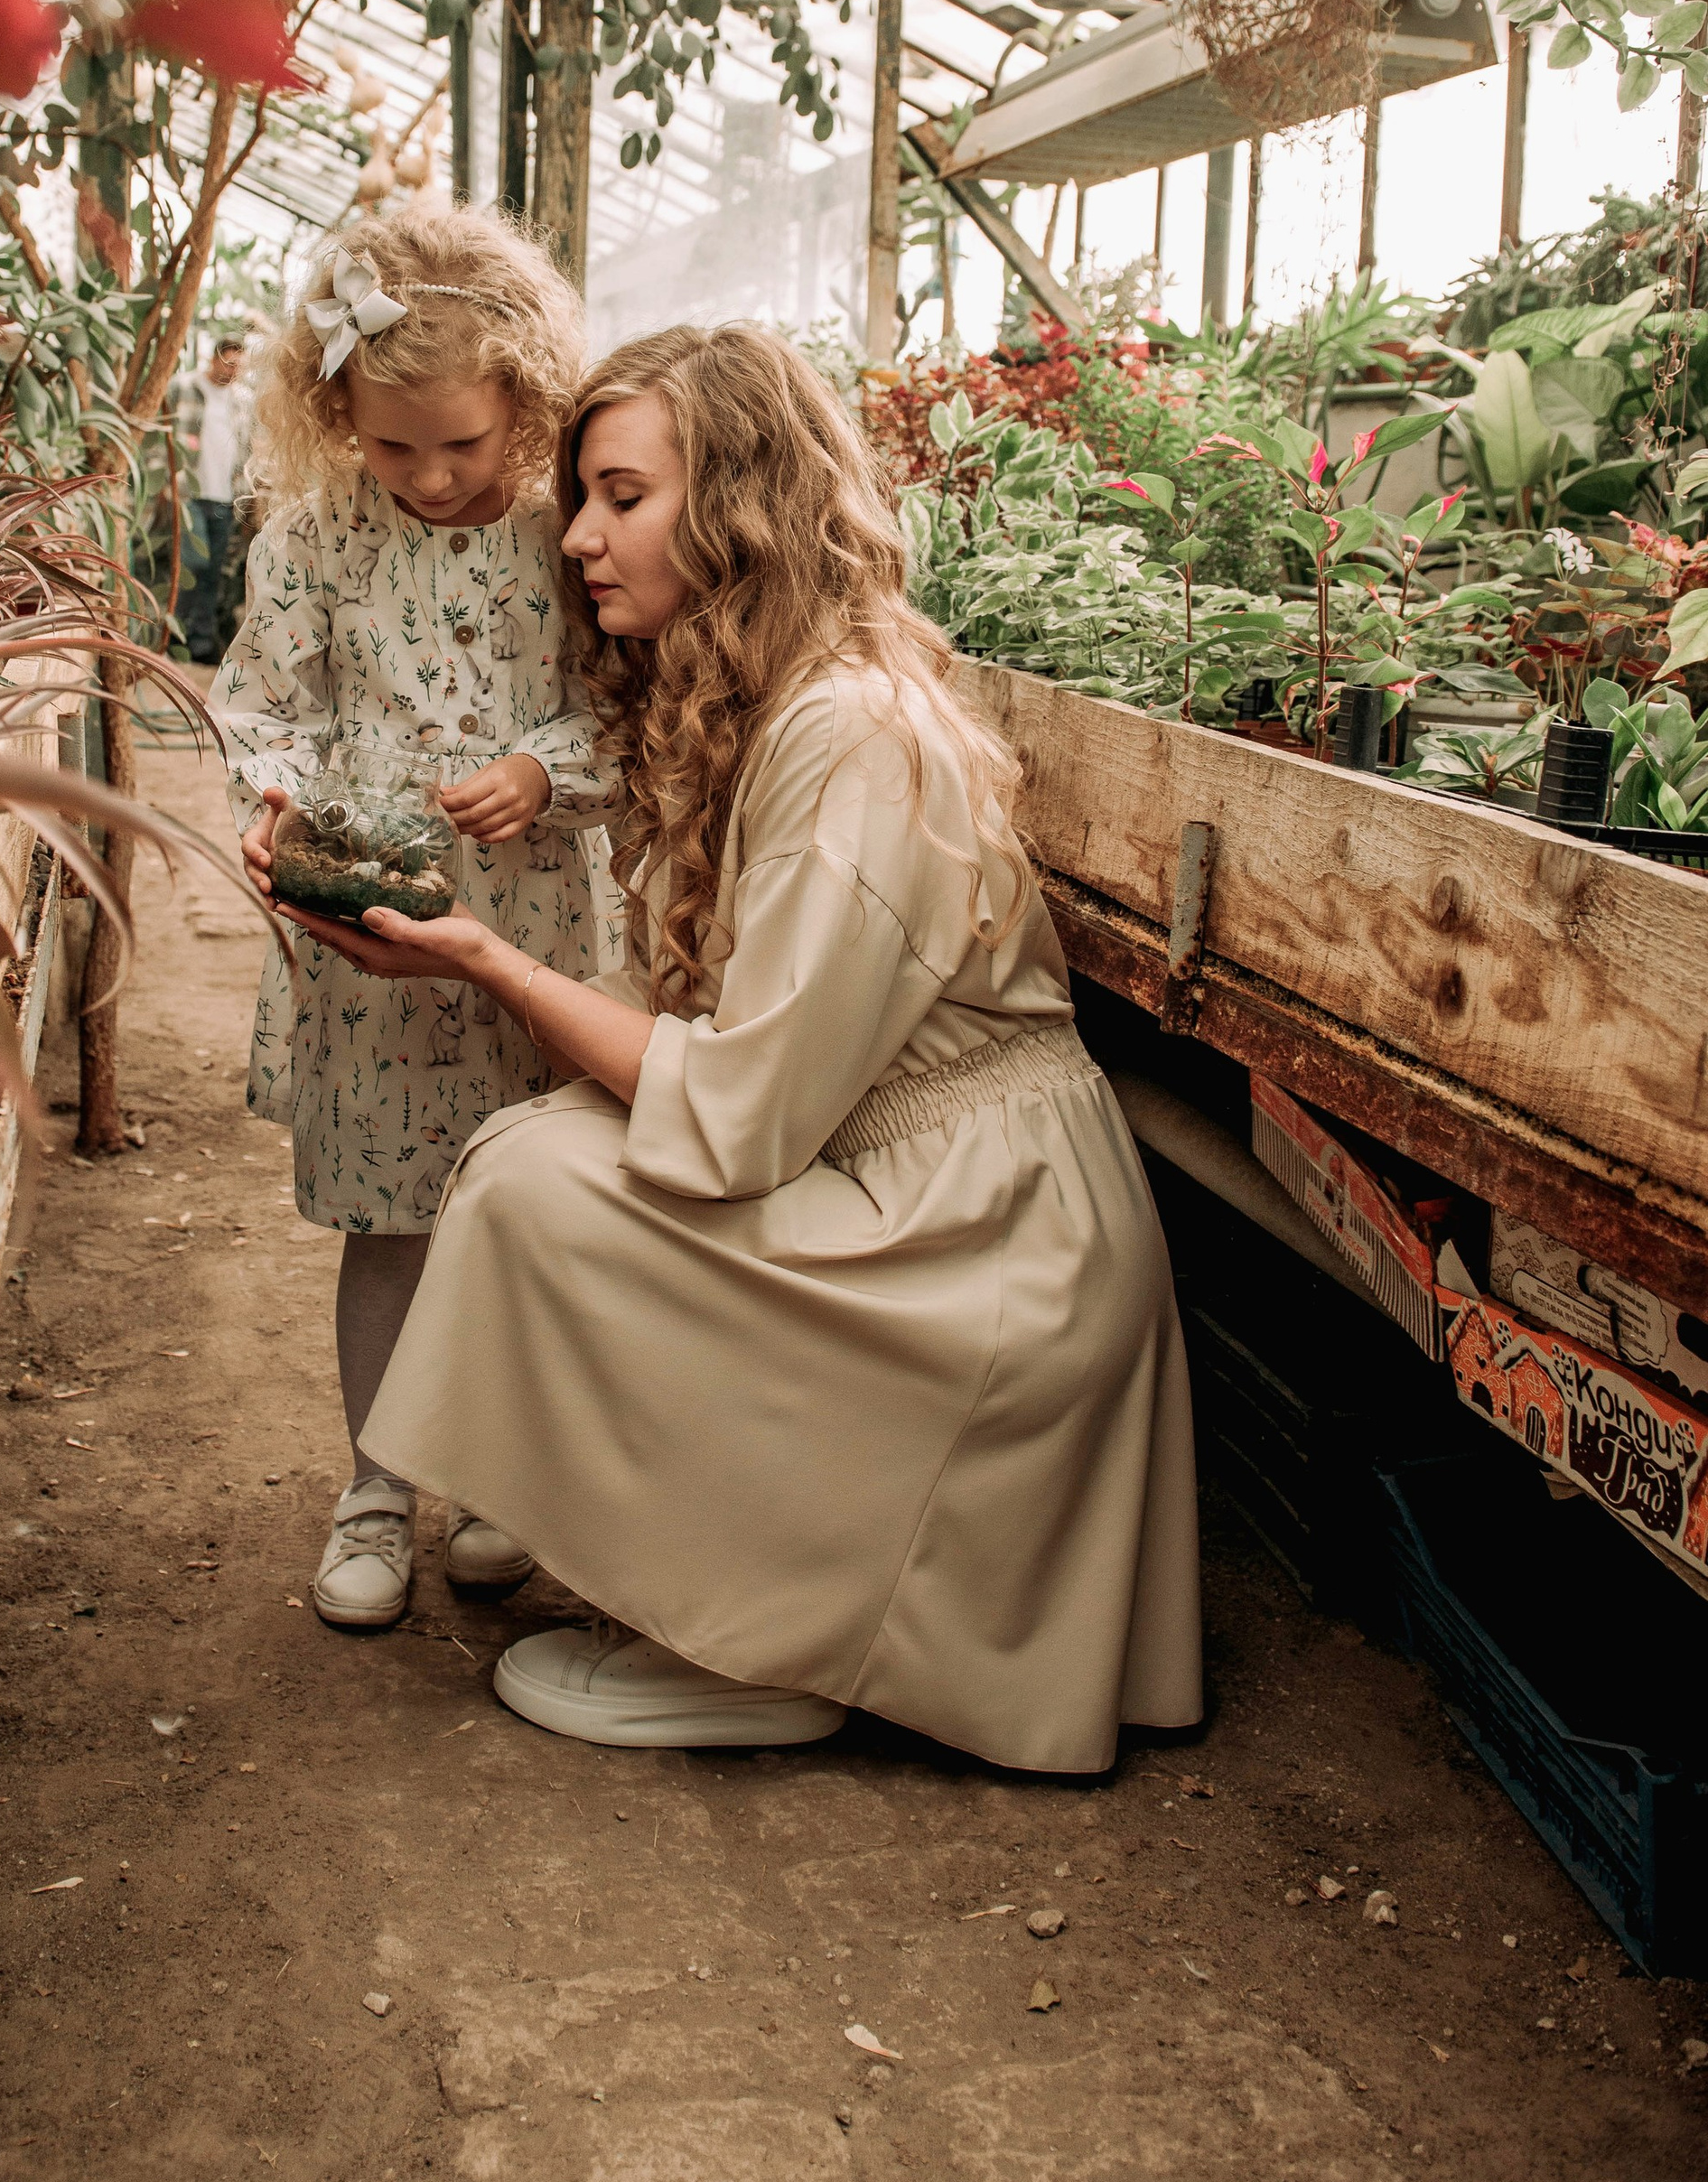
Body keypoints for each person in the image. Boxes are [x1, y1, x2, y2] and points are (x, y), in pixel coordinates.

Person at [315, 322, 1203, 1768]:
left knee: (542, 1187)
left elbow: (739, 1116)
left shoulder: (852, 732)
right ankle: (757, 1592)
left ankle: (771, 1638)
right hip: (922, 1194)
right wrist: (453, 942)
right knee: (542, 1147)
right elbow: (690, 1013)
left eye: (622, 495)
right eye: (584, 498)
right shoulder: (757, 700)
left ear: (740, 507)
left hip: (989, 1245)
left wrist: (489, 962)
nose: (579, 536)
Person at [215, 207, 612, 1633]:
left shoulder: (567, 540)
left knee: (527, 1210)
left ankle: (496, 1482)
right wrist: (277, 800)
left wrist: (542, 770)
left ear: (530, 403)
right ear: (339, 416)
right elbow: (266, 700)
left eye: (465, 443)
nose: (434, 475)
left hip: (534, 935)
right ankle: (378, 1488)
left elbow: (627, 712)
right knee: (389, 1224)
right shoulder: (314, 542)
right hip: (370, 944)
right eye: (396, 447)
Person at [170, 327, 254, 667]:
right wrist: (166, 482)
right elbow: (163, 435)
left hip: (226, 498)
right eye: (229, 363)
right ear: (214, 358)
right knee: (193, 563)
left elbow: (246, 449)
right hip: (189, 493)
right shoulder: (184, 387)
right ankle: (174, 634)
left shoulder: (242, 400)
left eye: (239, 366)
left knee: (213, 573)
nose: (233, 371)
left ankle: (200, 642)